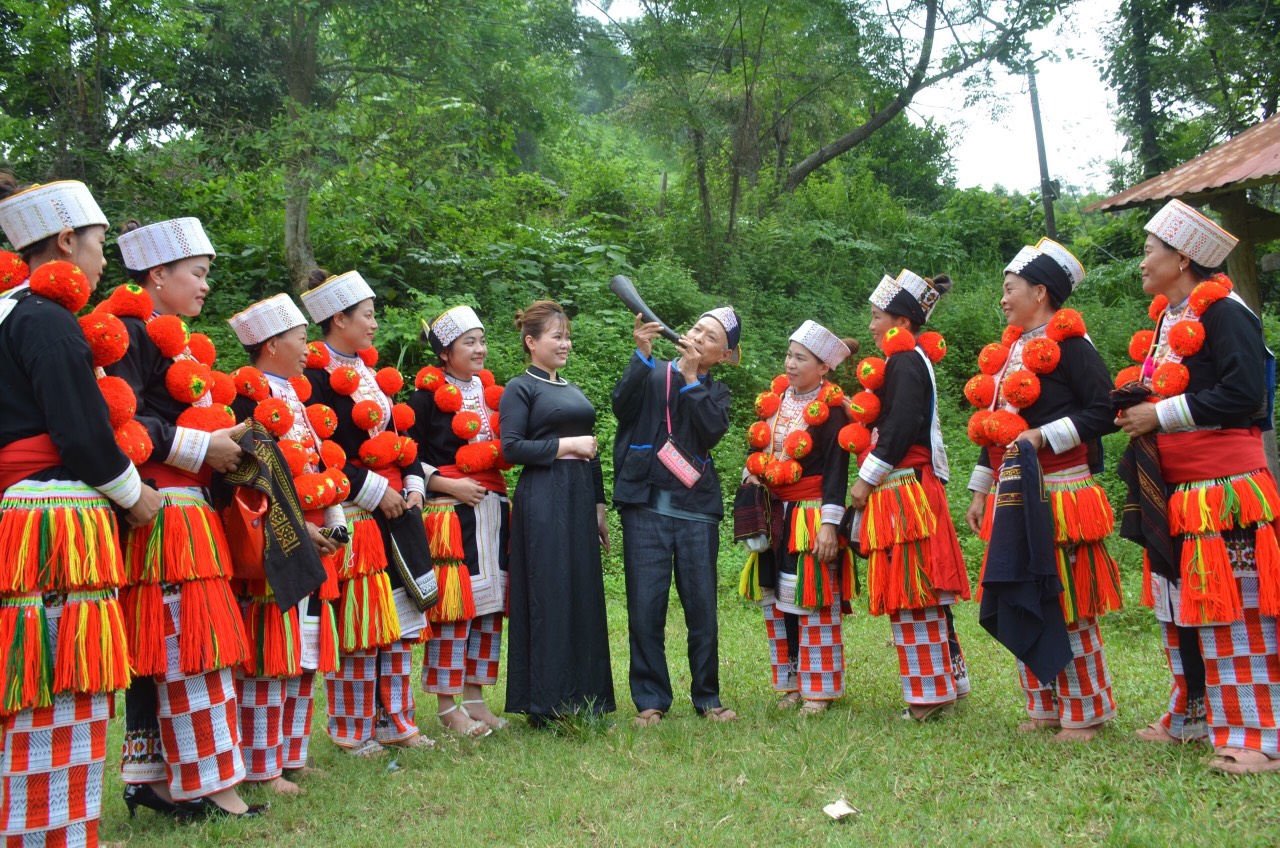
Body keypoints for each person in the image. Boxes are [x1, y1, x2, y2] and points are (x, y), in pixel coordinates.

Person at [0, 177, 162, 847]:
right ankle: (53, 833)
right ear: (65, 242)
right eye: (98, 246)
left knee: (35, 677)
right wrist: (135, 495)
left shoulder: (10, 313)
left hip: (22, 511)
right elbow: (81, 430)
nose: (101, 262)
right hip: (57, 515)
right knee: (65, 678)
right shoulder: (46, 321)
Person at [104, 217, 261, 816]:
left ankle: (154, 776)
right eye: (197, 275)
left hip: (180, 510)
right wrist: (204, 448)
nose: (204, 287)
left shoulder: (164, 338)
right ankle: (210, 786)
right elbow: (119, 420)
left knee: (162, 646)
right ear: (158, 274)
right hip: (164, 512)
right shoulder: (124, 333)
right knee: (192, 646)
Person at [1116, 199, 1280, 773]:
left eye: (1148, 250)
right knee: (1180, 607)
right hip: (1177, 488)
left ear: (1182, 257)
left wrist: (1158, 417)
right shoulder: (1169, 317)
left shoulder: (1226, 312)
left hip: (1224, 487)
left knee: (1235, 609)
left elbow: (1244, 397)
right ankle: (1192, 717)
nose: (1141, 262)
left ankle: (1258, 737)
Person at [963, 238, 1122, 742]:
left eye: (1010, 290)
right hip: (1012, 493)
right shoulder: (1009, 351)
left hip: (1061, 491)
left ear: (1040, 291)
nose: (1004, 299)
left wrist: (1042, 435)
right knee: (1023, 590)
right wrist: (980, 489)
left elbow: (1106, 411)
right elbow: (994, 426)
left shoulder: (1073, 345)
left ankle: (1086, 711)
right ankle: (1044, 704)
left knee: (1066, 597)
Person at [300, 269, 434, 756]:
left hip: (399, 510)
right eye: (368, 315)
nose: (375, 324)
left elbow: (401, 437)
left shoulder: (375, 377)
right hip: (356, 509)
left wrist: (415, 482)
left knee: (396, 624)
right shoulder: (312, 378)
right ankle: (350, 727)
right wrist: (375, 490)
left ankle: (396, 720)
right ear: (339, 318)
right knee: (361, 626)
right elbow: (319, 451)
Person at [227, 293, 346, 793]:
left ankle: (292, 753)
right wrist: (300, 527)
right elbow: (254, 476)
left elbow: (315, 464)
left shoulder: (295, 395)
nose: (307, 348)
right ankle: (262, 763)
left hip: (314, 530)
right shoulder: (244, 396)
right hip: (277, 531)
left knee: (306, 651)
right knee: (269, 653)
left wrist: (335, 520)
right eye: (301, 338)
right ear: (273, 344)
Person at [848, 270, 971, 721]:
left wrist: (865, 479)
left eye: (877, 316)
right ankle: (949, 682)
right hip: (915, 484)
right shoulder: (911, 358)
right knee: (924, 588)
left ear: (900, 321)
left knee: (911, 589)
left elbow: (899, 427)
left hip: (903, 489)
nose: (871, 325)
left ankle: (927, 696)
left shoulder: (902, 361)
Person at [613, 307, 741, 727]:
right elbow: (621, 407)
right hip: (645, 505)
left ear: (723, 356)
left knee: (701, 608)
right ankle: (651, 701)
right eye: (696, 329)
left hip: (697, 510)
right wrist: (642, 354)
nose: (697, 337)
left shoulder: (716, 391)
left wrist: (690, 380)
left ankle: (708, 698)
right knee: (645, 607)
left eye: (710, 338)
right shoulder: (652, 372)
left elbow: (711, 431)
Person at [499, 300, 614, 724]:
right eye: (556, 336)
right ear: (531, 342)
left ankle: (588, 698)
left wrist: (599, 507)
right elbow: (511, 449)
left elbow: (593, 447)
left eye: (566, 336)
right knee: (549, 592)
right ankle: (546, 704)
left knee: (582, 591)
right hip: (544, 498)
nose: (565, 343)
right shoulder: (520, 387)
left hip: (580, 497)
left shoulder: (570, 388)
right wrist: (566, 446)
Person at [739, 321, 854, 715]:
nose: (789, 364)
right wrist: (752, 471)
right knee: (779, 600)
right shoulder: (777, 400)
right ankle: (791, 684)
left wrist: (829, 524)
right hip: (775, 513)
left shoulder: (834, 411)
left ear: (823, 368)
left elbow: (838, 472)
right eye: (788, 355)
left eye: (800, 358)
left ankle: (819, 690)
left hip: (810, 514)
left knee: (810, 597)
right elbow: (758, 449)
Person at [409, 304, 510, 737]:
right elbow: (409, 457)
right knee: (456, 608)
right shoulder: (426, 398)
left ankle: (475, 698)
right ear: (445, 352)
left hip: (492, 506)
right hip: (451, 511)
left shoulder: (492, 394)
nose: (480, 349)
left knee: (490, 607)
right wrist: (450, 488)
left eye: (482, 340)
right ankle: (447, 705)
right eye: (469, 342)